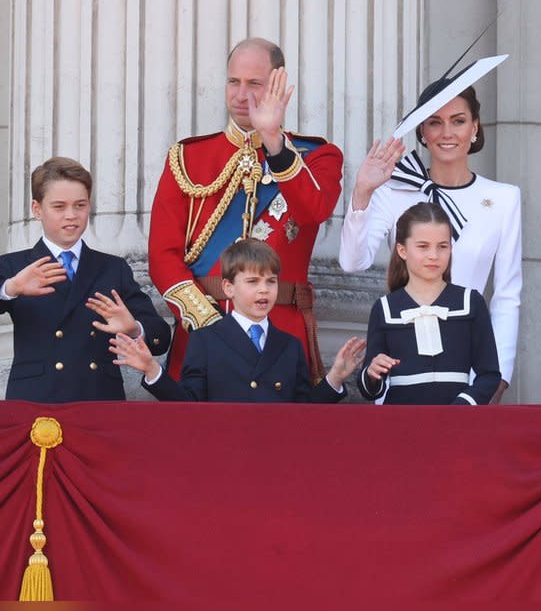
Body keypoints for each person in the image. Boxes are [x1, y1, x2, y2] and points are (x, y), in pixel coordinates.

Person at [148, 37, 343, 384]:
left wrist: (274, 143)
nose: (241, 95)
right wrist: (207, 323)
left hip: (279, 335)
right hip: (202, 334)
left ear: (278, 86)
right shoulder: (187, 158)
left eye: (254, 84)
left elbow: (314, 211)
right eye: (233, 82)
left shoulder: (317, 157)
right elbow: (163, 254)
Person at [339, 82, 521, 403]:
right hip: (402, 364)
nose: (446, 132)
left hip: (469, 370)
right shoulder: (393, 190)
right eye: (435, 122)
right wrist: (363, 192)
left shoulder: (504, 198)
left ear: (475, 127)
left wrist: (499, 379)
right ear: (422, 131)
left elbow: (507, 295)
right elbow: (353, 262)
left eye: (458, 120)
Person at [0, 157, 171, 402]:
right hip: (36, 398)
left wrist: (134, 328)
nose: (71, 215)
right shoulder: (12, 266)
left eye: (79, 205)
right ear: (37, 209)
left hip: (98, 398)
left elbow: (160, 337)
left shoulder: (113, 268)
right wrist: (11, 288)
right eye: (59, 207)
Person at [112, 239, 365, 402]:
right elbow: (188, 404)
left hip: (277, 461)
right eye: (253, 282)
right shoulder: (205, 340)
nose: (264, 290)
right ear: (229, 288)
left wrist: (335, 378)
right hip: (224, 460)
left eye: (271, 282)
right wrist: (152, 370)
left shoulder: (289, 345)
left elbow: (303, 411)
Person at [358, 202, 501, 405]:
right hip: (401, 425)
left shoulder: (471, 302)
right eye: (423, 246)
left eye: (442, 246)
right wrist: (372, 373)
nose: (433, 255)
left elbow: (490, 375)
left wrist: (461, 407)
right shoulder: (385, 308)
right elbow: (369, 390)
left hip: (457, 426)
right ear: (402, 250)